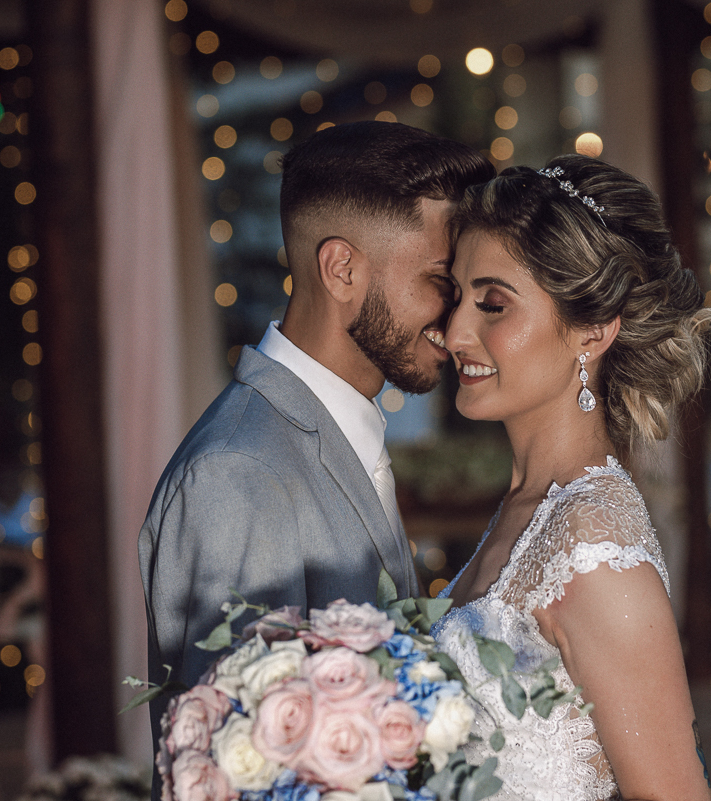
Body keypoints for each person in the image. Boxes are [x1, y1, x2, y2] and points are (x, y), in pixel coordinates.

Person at [138, 121, 494, 758]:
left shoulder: (335, 434)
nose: (458, 319)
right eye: (441, 282)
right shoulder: (239, 472)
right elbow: (241, 766)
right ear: (341, 268)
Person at [432, 154, 711, 801]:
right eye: (456, 298)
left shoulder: (591, 546)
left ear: (592, 329)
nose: (454, 332)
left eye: (493, 305)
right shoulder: (523, 507)